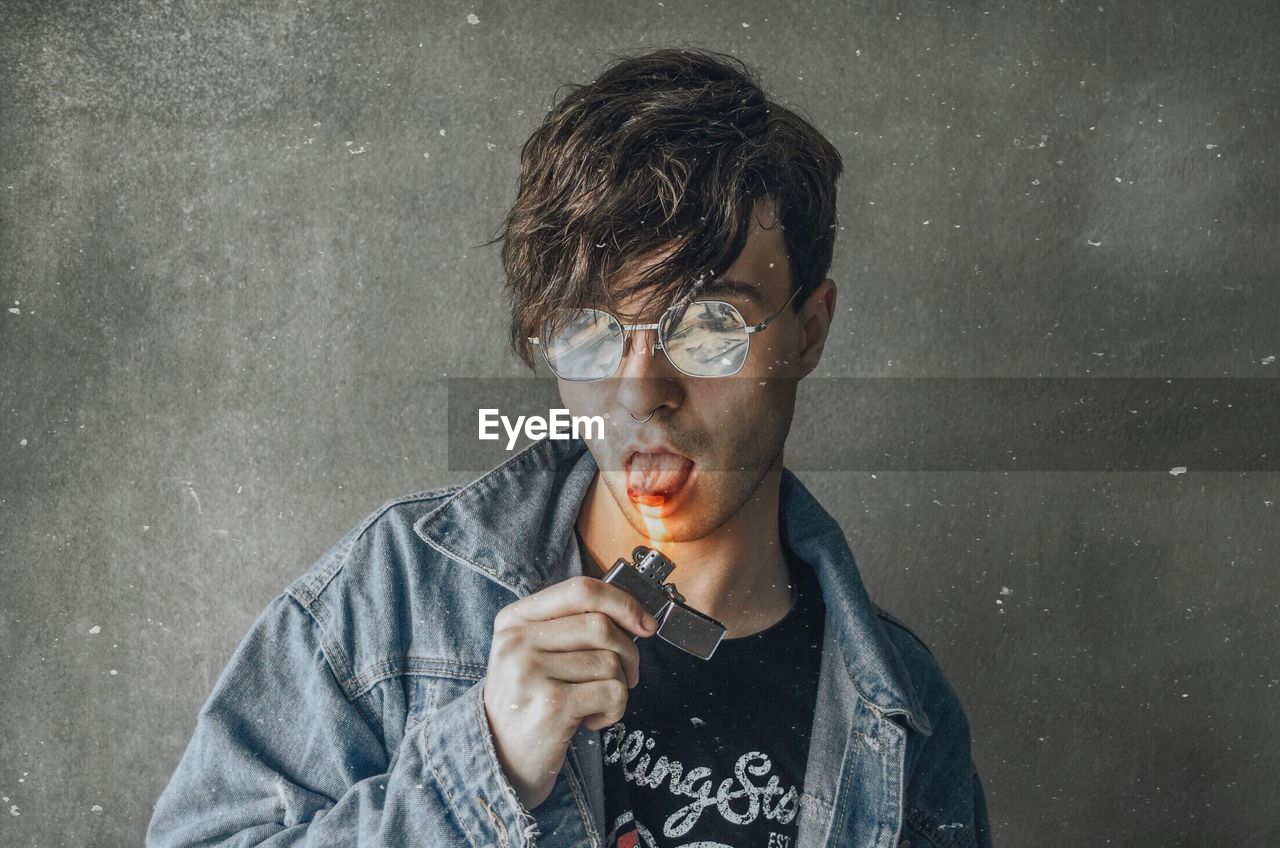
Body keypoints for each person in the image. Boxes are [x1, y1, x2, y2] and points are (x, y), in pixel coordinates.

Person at [148, 47, 991, 848]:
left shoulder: (901, 710)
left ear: (810, 332)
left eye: (708, 325)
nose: (639, 391)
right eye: (590, 332)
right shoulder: (393, 599)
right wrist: (484, 769)